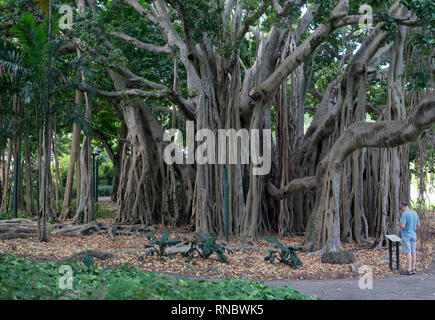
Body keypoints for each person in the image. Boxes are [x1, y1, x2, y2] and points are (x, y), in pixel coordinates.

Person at [397, 202, 420, 275]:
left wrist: (398, 224)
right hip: (413, 234)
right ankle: (413, 269)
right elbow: (418, 224)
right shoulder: (415, 213)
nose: (401, 210)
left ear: (403, 207)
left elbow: (403, 226)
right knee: (413, 252)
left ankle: (408, 270)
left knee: (408, 252)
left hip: (406, 235)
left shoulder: (405, 214)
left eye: (401, 208)